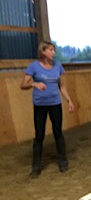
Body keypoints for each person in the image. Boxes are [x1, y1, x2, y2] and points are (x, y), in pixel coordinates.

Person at [20, 41, 75, 177]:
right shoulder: (34, 67)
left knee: (58, 132)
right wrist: (34, 84)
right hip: (40, 105)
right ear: (43, 51)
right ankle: (36, 166)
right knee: (39, 135)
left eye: (53, 50)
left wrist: (69, 100)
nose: (53, 53)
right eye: (50, 50)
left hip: (55, 104)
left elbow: (61, 86)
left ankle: (62, 161)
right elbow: (22, 85)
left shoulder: (58, 66)